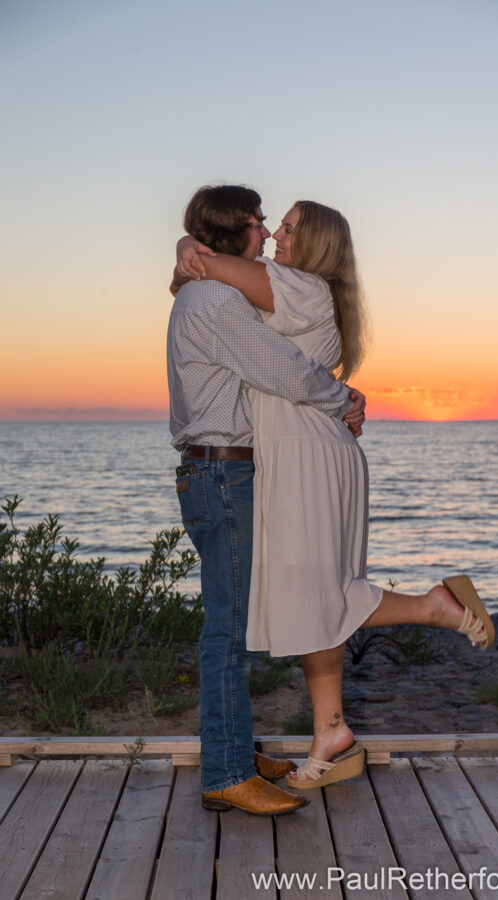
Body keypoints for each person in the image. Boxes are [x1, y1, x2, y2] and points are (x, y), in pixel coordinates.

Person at [174, 198, 495, 791]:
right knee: (310, 597)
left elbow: (208, 268)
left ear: (317, 244)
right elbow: (203, 275)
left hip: (306, 454)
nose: (274, 236)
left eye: (290, 229)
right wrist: (186, 249)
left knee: (317, 593)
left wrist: (190, 248)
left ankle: (434, 606)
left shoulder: (300, 287)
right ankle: (332, 729)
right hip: (298, 449)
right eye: (272, 226)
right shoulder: (293, 289)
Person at [167, 185, 367, 816]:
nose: (266, 235)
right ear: (234, 234)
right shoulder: (219, 302)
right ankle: (226, 771)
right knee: (228, 631)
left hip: (221, 473)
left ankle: (233, 750)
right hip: (223, 475)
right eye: (258, 223)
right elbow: (282, 369)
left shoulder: (219, 294)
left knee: (237, 622)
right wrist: (343, 399)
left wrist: (185, 251)